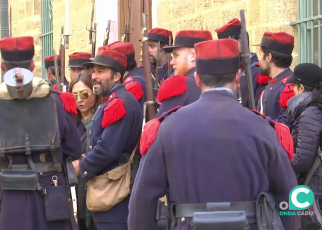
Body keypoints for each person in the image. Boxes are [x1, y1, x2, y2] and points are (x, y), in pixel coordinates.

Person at [128, 38, 298, 230]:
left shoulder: (167, 128)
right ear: (237, 77)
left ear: (198, 78)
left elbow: (142, 201)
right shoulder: (265, 129)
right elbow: (289, 196)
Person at [0, 36, 81, 230]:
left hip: (10, 201)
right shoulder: (57, 102)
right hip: (51, 195)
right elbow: (74, 149)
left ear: (3, 67)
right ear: (32, 65)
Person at [76, 49, 142, 230]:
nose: (95, 76)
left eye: (101, 71)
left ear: (116, 76)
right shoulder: (112, 100)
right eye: (94, 71)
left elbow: (108, 149)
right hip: (110, 191)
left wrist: (81, 166)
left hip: (115, 194)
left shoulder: (119, 103)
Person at [286, 63, 322, 228]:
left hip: (313, 188)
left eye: (294, 85)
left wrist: (284, 167)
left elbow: (303, 160)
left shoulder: (310, 113)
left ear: (301, 88)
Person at [68, 74, 101, 230]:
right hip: (76, 188)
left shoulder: (101, 120)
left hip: (97, 187)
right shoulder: (70, 123)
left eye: (84, 94)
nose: (79, 99)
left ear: (94, 93)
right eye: (74, 95)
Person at [156, 30, 212, 117]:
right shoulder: (224, 82)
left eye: (176, 55)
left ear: (193, 56)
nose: (171, 62)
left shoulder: (179, 86)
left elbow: (157, 128)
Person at [215, 18, 267, 107]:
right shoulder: (228, 70)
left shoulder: (260, 72)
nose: (227, 51)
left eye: (230, 45)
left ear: (243, 40)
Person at [254, 32, 295, 121]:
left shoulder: (289, 88)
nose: (258, 58)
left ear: (268, 57)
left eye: (260, 54)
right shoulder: (274, 81)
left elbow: (285, 126)